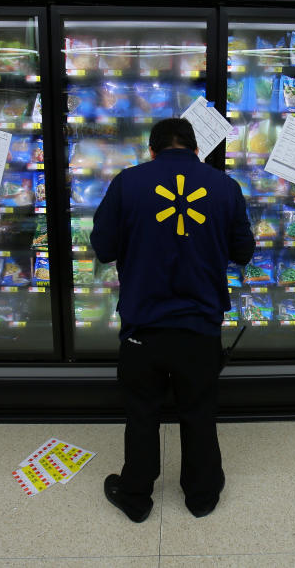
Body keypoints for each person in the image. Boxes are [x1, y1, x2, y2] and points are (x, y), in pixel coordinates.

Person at [90, 117, 255, 523]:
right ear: (198, 150)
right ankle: (201, 497)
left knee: (141, 413)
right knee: (198, 411)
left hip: (142, 327)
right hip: (199, 327)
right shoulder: (225, 186)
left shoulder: (128, 182)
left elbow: (104, 248)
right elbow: (244, 252)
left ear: (151, 150)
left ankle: (135, 496)